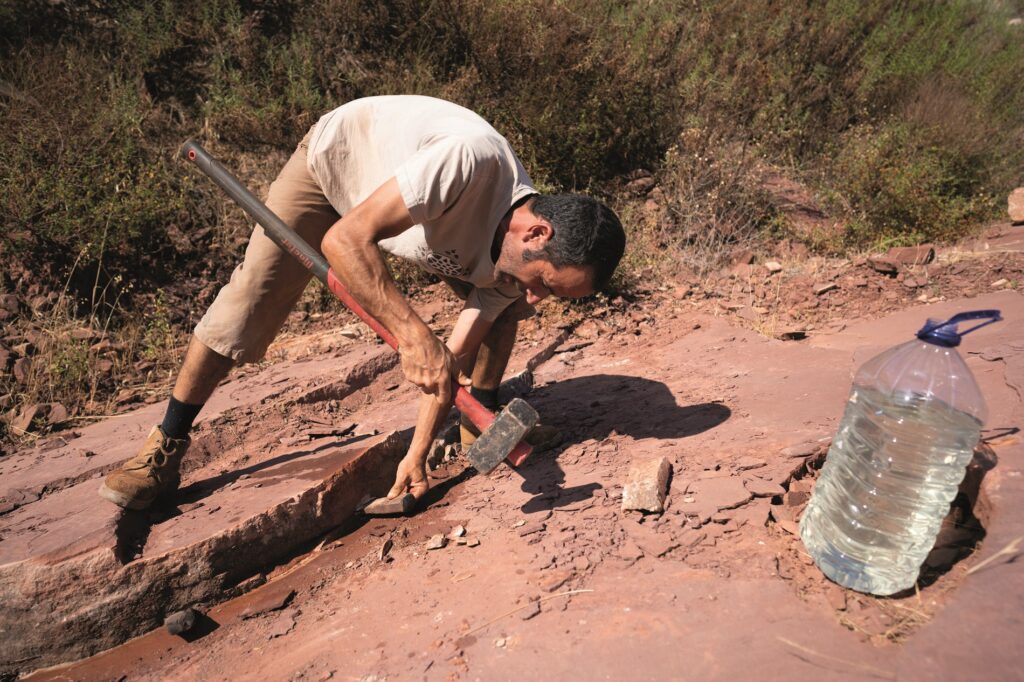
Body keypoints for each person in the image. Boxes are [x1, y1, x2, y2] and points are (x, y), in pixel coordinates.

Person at [99, 95, 626, 511]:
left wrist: (415, 453)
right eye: (547, 284)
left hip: (388, 211)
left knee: (501, 313)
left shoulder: (518, 261)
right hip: (334, 167)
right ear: (536, 231)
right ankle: (165, 445)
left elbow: (450, 360)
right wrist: (416, 335)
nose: (538, 299)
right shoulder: (467, 164)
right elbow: (345, 242)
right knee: (251, 299)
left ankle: (477, 421)